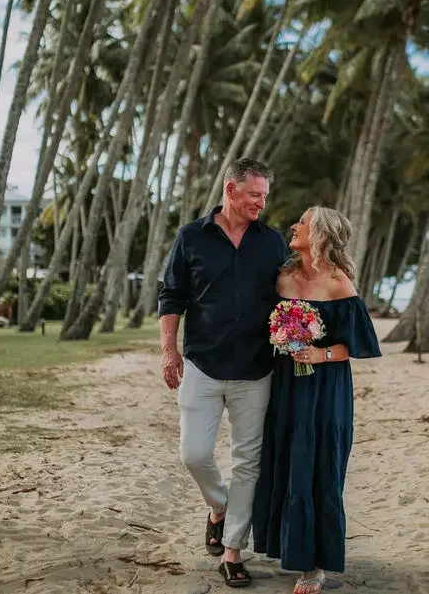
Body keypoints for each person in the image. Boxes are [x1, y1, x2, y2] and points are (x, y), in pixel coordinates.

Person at [158, 158, 290, 588]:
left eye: (265, 196)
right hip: (202, 363)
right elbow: (172, 295)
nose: (261, 203)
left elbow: (291, 293)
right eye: (255, 194)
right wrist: (168, 352)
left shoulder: (271, 243)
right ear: (231, 190)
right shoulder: (191, 237)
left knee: (247, 461)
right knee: (193, 453)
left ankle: (232, 551)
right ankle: (219, 508)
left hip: (257, 368)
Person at [252, 206, 382, 594]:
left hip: (327, 392)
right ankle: (289, 550)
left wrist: (319, 354)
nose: (294, 226)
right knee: (287, 461)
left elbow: (358, 345)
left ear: (320, 235)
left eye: (303, 223)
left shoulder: (340, 283)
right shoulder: (283, 277)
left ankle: (315, 567)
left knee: (320, 467)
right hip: (286, 386)